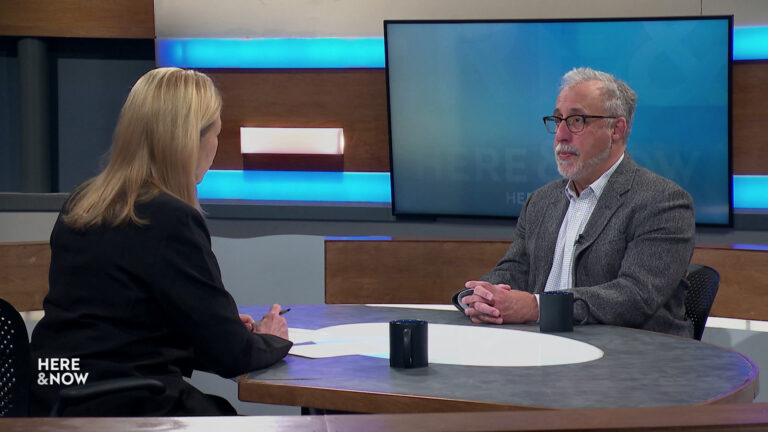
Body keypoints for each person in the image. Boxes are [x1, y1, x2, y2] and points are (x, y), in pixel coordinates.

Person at [29, 67, 293, 416]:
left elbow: (114, 327)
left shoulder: (84, 202)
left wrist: (221, 330)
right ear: (191, 141)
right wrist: (272, 338)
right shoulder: (170, 218)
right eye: (216, 133)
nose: (216, 146)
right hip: (124, 405)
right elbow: (233, 356)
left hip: (56, 395)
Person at [454, 67, 695, 337]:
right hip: (545, 348)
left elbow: (635, 296)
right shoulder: (541, 201)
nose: (561, 135)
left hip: (630, 354)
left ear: (616, 129)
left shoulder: (662, 202)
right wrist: (479, 297)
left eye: (577, 120)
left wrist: (537, 307)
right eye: (558, 120)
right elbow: (514, 270)